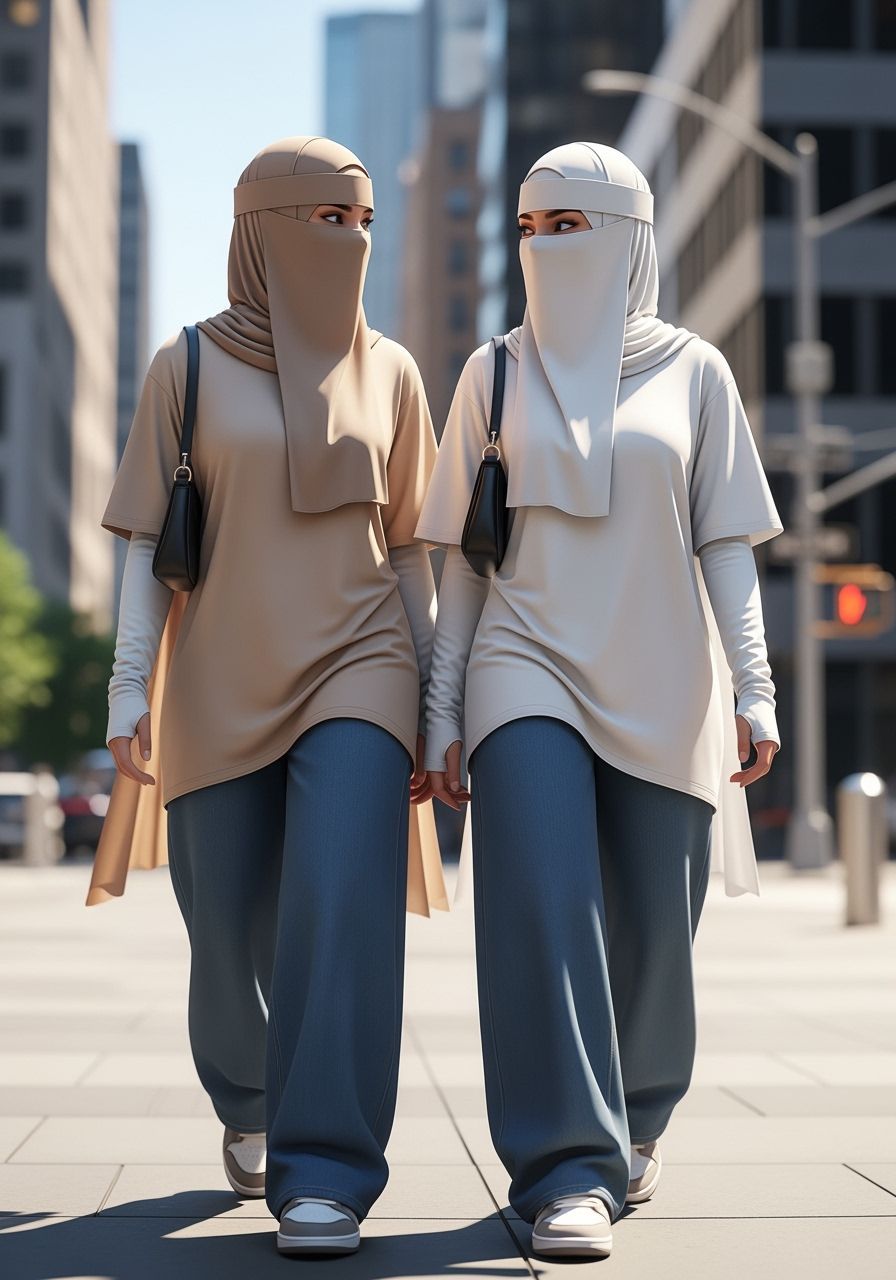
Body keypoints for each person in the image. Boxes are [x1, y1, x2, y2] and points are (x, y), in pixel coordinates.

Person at [416, 142, 783, 1260]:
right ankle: (563, 1165)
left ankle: (634, 1114)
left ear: (626, 234)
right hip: (521, 662)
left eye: (565, 225)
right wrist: (442, 708)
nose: (542, 246)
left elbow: (725, 545)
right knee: (538, 905)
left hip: (666, 673)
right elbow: (466, 564)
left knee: (653, 931)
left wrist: (754, 689)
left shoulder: (695, 371)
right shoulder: (491, 371)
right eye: (528, 227)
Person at [97, 136, 445, 1257]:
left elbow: (410, 554)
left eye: (358, 221)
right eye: (320, 219)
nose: (343, 239)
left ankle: (328, 1170)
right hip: (217, 673)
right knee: (229, 932)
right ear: (257, 229)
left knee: (340, 910)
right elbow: (149, 540)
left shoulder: (391, 369)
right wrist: (124, 687)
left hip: (362, 662)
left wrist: (436, 702)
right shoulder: (184, 365)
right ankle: (247, 1097)